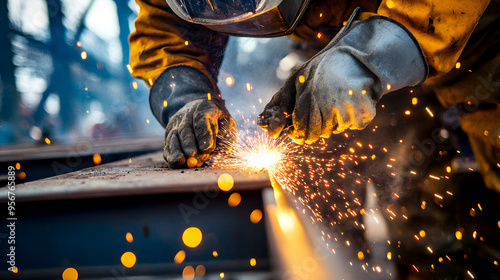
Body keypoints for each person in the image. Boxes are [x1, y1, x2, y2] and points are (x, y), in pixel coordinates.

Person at [129, 0, 500, 278]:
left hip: (476, 44)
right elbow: (164, 30)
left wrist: (369, 58)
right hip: (329, 38)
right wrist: (185, 96)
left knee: (423, 216)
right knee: (331, 190)